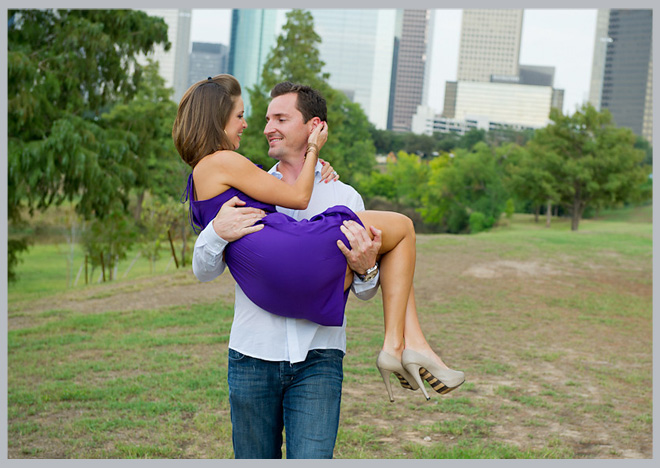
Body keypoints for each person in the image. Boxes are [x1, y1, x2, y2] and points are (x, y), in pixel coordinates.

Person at [176, 75, 464, 458]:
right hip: (253, 355)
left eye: (279, 118)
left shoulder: (341, 193)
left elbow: (363, 289)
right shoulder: (249, 176)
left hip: (319, 359)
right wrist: (215, 231)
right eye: (250, 117)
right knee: (404, 230)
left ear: (313, 126)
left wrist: (366, 269)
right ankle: (401, 346)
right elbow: (204, 269)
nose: (260, 127)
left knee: (392, 243)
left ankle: (408, 346)